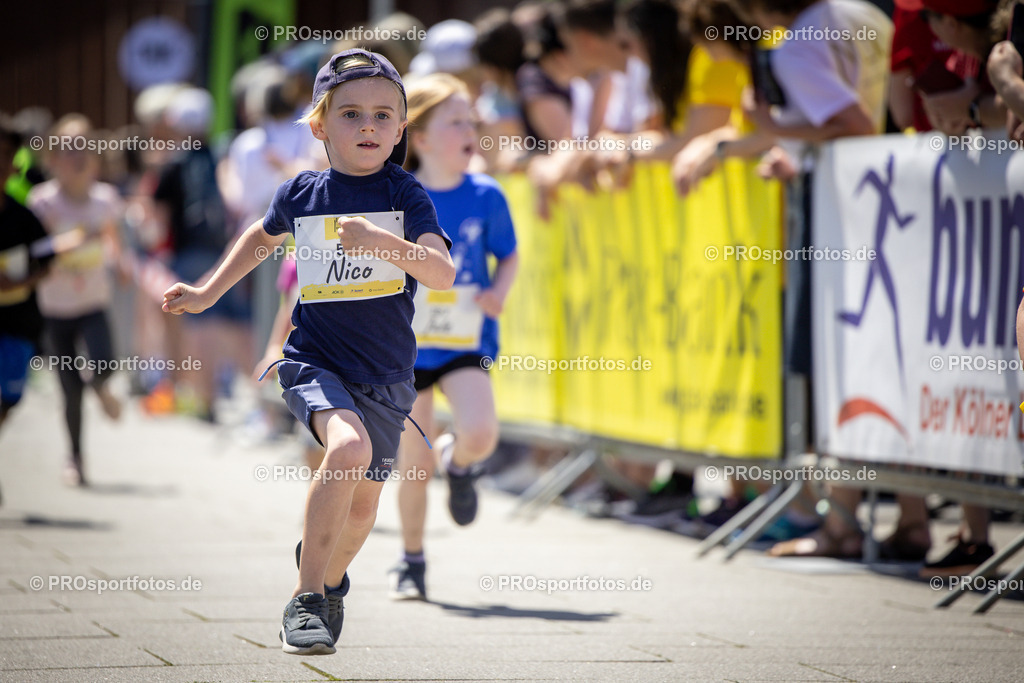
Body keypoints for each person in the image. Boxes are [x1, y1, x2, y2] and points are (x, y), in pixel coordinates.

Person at [162, 49, 455, 655]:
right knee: (346, 449)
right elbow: (260, 239)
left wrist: (381, 241)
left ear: (402, 129)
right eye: (350, 114)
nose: (368, 126)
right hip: (314, 360)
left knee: (362, 509)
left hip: (388, 375)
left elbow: (442, 271)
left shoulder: (408, 195)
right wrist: (207, 291)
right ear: (319, 124)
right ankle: (305, 600)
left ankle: (330, 577)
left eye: (382, 115)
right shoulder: (302, 192)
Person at [389, 73, 519, 600]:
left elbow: (507, 254)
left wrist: (499, 292)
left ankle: (459, 464)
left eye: (473, 119)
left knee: (482, 433)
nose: (472, 129)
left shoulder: (487, 194)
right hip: (407, 346)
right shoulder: (397, 195)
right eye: (457, 121)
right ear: (420, 138)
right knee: (411, 464)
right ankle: (412, 559)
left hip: (467, 341)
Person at [28, 114, 125, 486]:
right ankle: (75, 458)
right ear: (52, 160)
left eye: (84, 146)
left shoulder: (105, 199)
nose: (77, 155)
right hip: (54, 307)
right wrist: (60, 245)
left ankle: (99, 386)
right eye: (68, 149)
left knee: (105, 363)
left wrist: (123, 263)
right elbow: (32, 249)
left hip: (93, 301)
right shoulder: (43, 203)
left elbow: (113, 240)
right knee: (68, 389)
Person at [0, 118, 53, 434]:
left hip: (18, 324)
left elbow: (48, 262)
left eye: (6, 154)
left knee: (9, 398)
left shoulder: (25, 218)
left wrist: (19, 283)